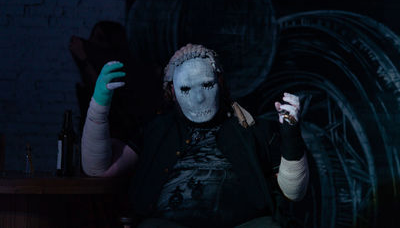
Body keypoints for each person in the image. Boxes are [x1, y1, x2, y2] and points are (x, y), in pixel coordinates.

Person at [81, 44, 309, 227]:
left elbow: (294, 192)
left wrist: (291, 134)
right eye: (186, 89)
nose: (199, 99)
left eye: (207, 85)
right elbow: (98, 169)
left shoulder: (252, 128)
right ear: (171, 90)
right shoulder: (157, 130)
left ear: (220, 81)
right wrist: (99, 105)